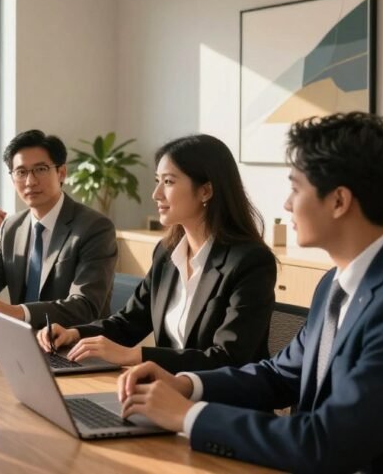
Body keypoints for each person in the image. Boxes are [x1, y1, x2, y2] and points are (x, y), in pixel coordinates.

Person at [117, 112, 383, 472]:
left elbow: (326, 442)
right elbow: (280, 375)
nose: (286, 204)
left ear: (339, 201)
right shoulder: (334, 282)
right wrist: (185, 384)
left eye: (296, 188)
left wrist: (189, 417)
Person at [37, 134, 276, 372]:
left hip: (220, 402)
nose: (156, 194)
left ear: (206, 191)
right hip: (166, 392)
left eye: (169, 182)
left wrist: (136, 356)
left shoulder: (250, 261)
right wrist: (74, 334)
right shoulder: (167, 254)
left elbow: (228, 358)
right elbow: (129, 323)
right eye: (157, 181)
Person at [0, 129, 117, 329]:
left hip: (72, 346)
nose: (30, 181)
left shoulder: (94, 228)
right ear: (12, 178)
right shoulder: (12, 227)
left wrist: (20, 312)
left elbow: (85, 306)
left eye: (41, 169)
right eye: (21, 172)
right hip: (21, 341)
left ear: (61, 173)